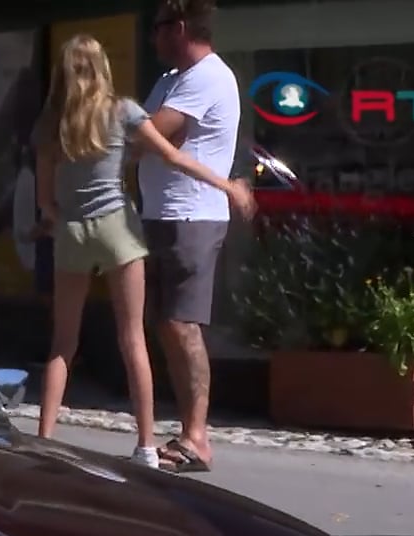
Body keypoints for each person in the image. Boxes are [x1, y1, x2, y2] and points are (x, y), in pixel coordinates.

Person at [34, 33, 253, 468]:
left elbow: (45, 200)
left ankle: (43, 442)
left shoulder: (50, 122)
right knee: (132, 337)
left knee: (62, 344)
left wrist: (62, 222)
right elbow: (174, 157)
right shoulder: (123, 111)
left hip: (73, 232)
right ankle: (146, 447)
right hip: (118, 227)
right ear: (102, 69)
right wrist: (227, 185)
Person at [138, 0, 242, 474]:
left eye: (157, 28)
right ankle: (185, 429)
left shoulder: (207, 77)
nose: (151, 38)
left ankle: (197, 437)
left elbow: (153, 134)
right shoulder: (169, 80)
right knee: (166, 324)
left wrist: (121, 126)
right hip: (161, 214)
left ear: (179, 28)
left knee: (183, 325)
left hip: (192, 216)